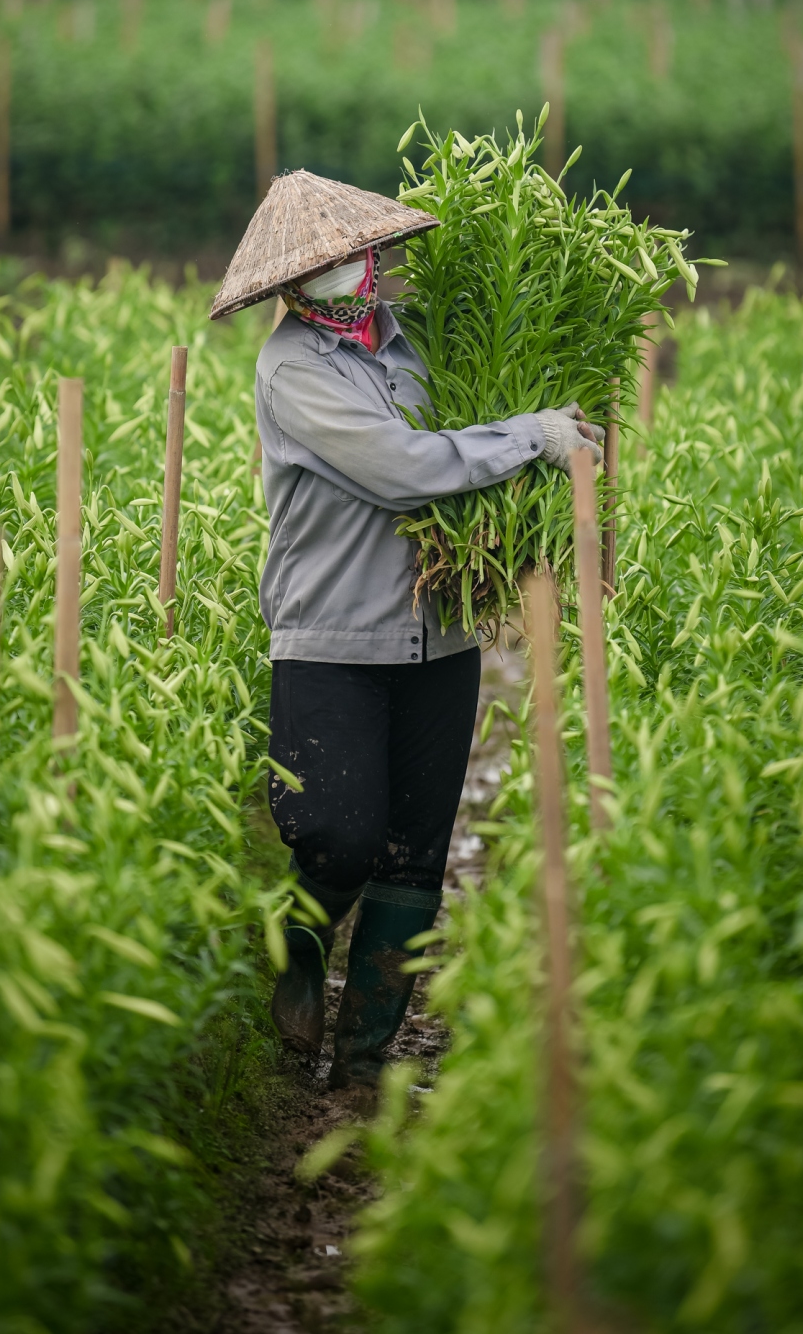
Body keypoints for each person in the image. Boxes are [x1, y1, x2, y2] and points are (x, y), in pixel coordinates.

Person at [209, 170, 602, 1096]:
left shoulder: (412, 341)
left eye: (364, 252)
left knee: (416, 852)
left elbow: (473, 400)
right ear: (297, 284)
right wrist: (524, 434)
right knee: (338, 835)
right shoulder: (294, 369)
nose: (364, 268)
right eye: (340, 260)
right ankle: (301, 946)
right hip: (332, 635)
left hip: (440, 632)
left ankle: (361, 1068)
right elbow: (404, 467)